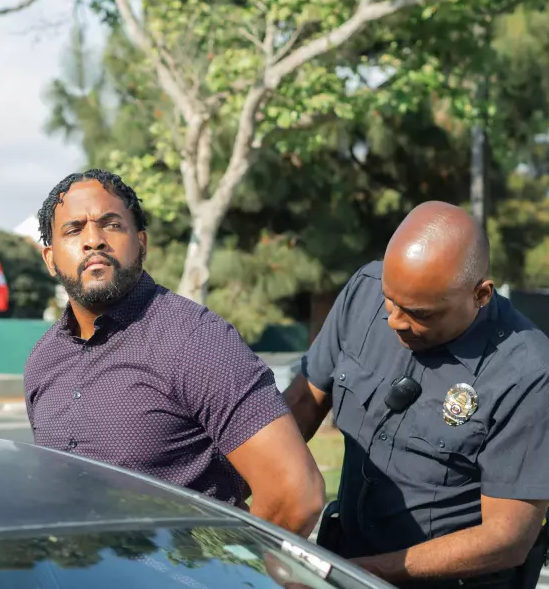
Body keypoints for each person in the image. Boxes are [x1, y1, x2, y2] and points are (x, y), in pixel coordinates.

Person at [283, 201, 549, 589]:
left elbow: (507, 537)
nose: (395, 321)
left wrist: (370, 572)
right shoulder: (364, 290)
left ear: (481, 294)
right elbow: (301, 402)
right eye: (391, 302)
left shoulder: (527, 371)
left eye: (421, 313)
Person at [23, 168, 325, 538]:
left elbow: (295, 494)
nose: (94, 240)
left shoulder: (196, 340)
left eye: (111, 224)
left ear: (142, 243)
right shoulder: (42, 360)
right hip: (77, 588)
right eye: (74, 229)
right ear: (50, 259)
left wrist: (230, 580)